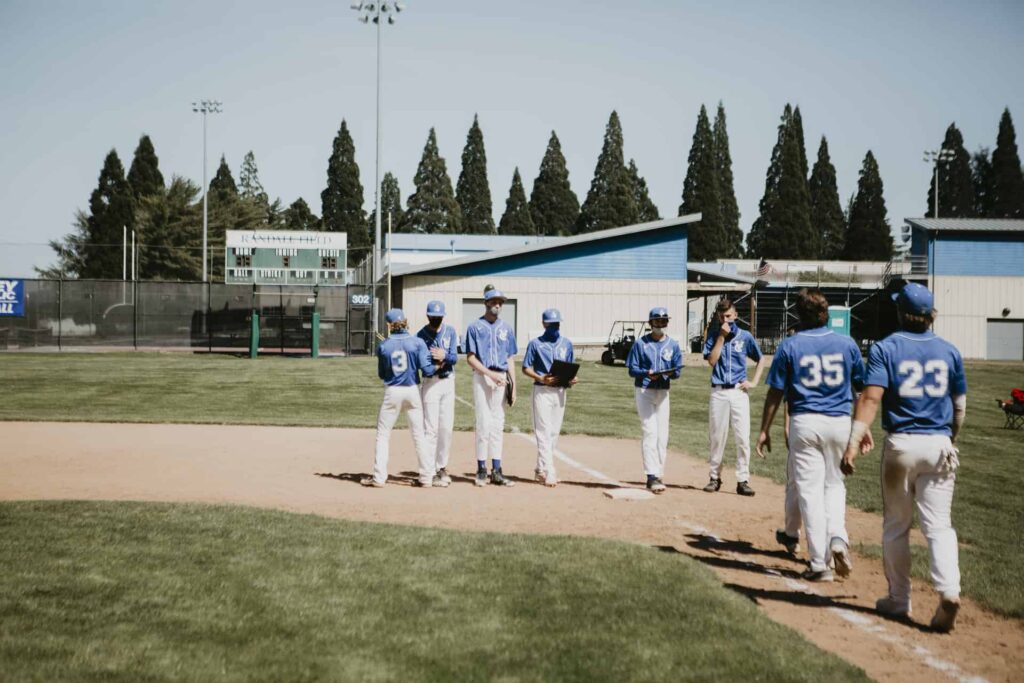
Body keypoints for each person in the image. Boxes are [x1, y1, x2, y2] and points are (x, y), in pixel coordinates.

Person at [842, 282, 967, 632]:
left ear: (900, 312)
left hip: (902, 445)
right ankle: (949, 590)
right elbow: (959, 407)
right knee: (939, 525)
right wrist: (950, 439)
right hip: (939, 445)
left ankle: (899, 598)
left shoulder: (886, 347)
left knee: (897, 525)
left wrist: (852, 443)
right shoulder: (950, 350)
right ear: (931, 315)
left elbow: (870, 399)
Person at [756, 288, 865, 581]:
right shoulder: (847, 344)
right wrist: (861, 427)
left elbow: (775, 392)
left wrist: (765, 429)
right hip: (840, 421)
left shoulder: (790, 345)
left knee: (810, 492)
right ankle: (838, 537)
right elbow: (861, 390)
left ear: (799, 315)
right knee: (834, 485)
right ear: (825, 313)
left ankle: (819, 563)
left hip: (805, 421)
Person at [362, 308, 444, 488]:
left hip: (392, 391)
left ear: (389, 325)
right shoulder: (417, 342)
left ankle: (379, 478)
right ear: (406, 322)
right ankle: (426, 477)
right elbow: (427, 370)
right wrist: (440, 365)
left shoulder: (384, 346)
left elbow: (382, 374)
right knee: (419, 435)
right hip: (412, 390)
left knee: (383, 435)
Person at [703, 298, 766, 496]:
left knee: (742, 437)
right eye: (722, 317)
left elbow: (761, 358)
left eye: (729, 316)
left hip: (738, 391)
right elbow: (712, 361)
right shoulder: (713, 334)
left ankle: (743, 480)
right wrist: (721, 337)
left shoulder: (745, 336)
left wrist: (754, 382)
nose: (725, 320)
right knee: (717, 436)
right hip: (719, 390)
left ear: (736, 315)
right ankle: (715, 477)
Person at [465, 286, 518, 487]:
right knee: (483, 422)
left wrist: (514, 385)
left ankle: (497, 470)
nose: (498, 305)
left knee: (497, 424)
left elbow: (510, 358)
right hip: (482, 376)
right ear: (486, 303)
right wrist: (490, 374)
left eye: (500, 302)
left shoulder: (507, 328)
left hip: (501, 378)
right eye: (494, 301)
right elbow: (471, 358)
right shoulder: (474, 327)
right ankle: (481, 469)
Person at [626, 307, 683, 494]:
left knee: (662, 435)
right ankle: (651, 475)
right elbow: (632, 369)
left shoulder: (673, 344)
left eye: (664, 320)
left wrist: (671, 373)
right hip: (644, 390)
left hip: (663, 391)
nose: (661, 324)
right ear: (650, 323)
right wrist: (646, 373)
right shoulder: (641, 344)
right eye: (657, 321)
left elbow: (677, 371)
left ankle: (659, 473)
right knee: (650, 431)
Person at [522, 308, 577, 487]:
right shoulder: (535, 344)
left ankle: (540, 469)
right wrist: (540, 378)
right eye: (552, 324)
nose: (555, 327)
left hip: (560, 391)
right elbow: (525, 368)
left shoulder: (566, 344)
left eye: (557, 323)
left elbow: (570, 367)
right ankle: (550, 471)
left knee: (553, 432)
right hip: (542, 391)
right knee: (543, 432)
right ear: (544, 324)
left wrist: (572, 379)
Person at [417, 300, 459, 486]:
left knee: (446, 428)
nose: (436, 319)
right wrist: (439, 363)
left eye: (439, 316)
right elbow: (424, 366)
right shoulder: (420, 336)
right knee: (431, 429)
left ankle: (441, 466)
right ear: (428, 316)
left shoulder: (450, 331)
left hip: (448, 382)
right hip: (431, 384)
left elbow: (455, 357)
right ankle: (428, 470)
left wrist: (444, 356)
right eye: (433, 316)